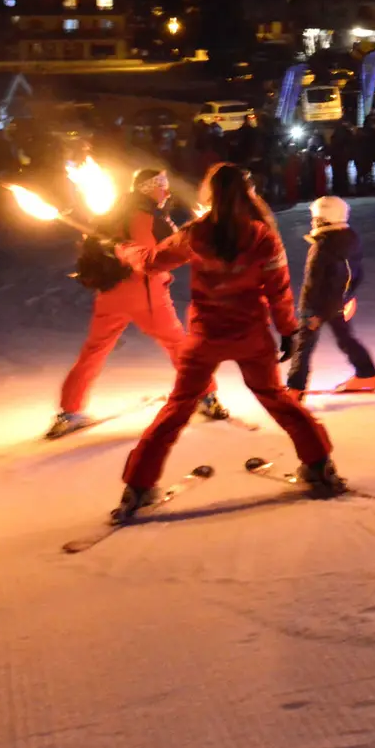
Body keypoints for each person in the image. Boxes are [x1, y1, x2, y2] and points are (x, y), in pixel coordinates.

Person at [112, 163, 341, 520]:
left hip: (206, 338)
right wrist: (286, 329)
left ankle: (138, 487)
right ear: (248, 193)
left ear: (211, 195)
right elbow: (278, 290)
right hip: (251, 336)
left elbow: (153, 262)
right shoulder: (262, 236)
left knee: (178, 407)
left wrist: (125, 249)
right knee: (276, 399)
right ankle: (319, 464)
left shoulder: (195, 233)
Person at [51, 168, 230, 439]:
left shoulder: (114, 211)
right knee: (178, 344)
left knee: (94, 350)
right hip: (144, 294)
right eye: (161, 185)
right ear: (148, 188)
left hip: (110, 294)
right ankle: (205, 396)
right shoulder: (144, 215)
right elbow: (150, 259)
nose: (166, 191)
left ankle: (69, 411)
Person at [285, 195, 375, 394]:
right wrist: (348, 297)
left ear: (323, 219)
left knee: (304, 345)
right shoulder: (350, 240)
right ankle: (367, 375)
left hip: (318, 306)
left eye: (315, 217)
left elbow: (312, 283)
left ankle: (295, 389)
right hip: (338, 303)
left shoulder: (322, 247)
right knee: (346, 339)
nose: (312, 221)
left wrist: (308, 312)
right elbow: (357, 273)